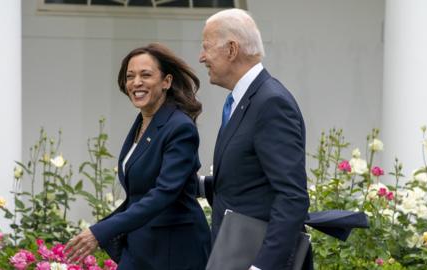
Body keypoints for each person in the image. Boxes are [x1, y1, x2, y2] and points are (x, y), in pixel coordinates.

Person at [66, 43, 211, 270]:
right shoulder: (144, 121)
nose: (136, 83)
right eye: (130, 76)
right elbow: (137, 195)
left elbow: (163, 193)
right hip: (142, 246)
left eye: (146, 75)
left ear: (167, 82)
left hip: (175, 250)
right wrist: (101, 229)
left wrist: (101, 231)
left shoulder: (179, 127)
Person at [198, 9, 312, 270]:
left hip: (256, 260)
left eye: (206, 47)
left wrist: (262, 266)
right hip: (235, 256)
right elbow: (252, 182)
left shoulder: (270, 103)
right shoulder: (247, 100)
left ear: (231, 49)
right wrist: (199, 185)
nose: (201, 57)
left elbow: (292, 196)